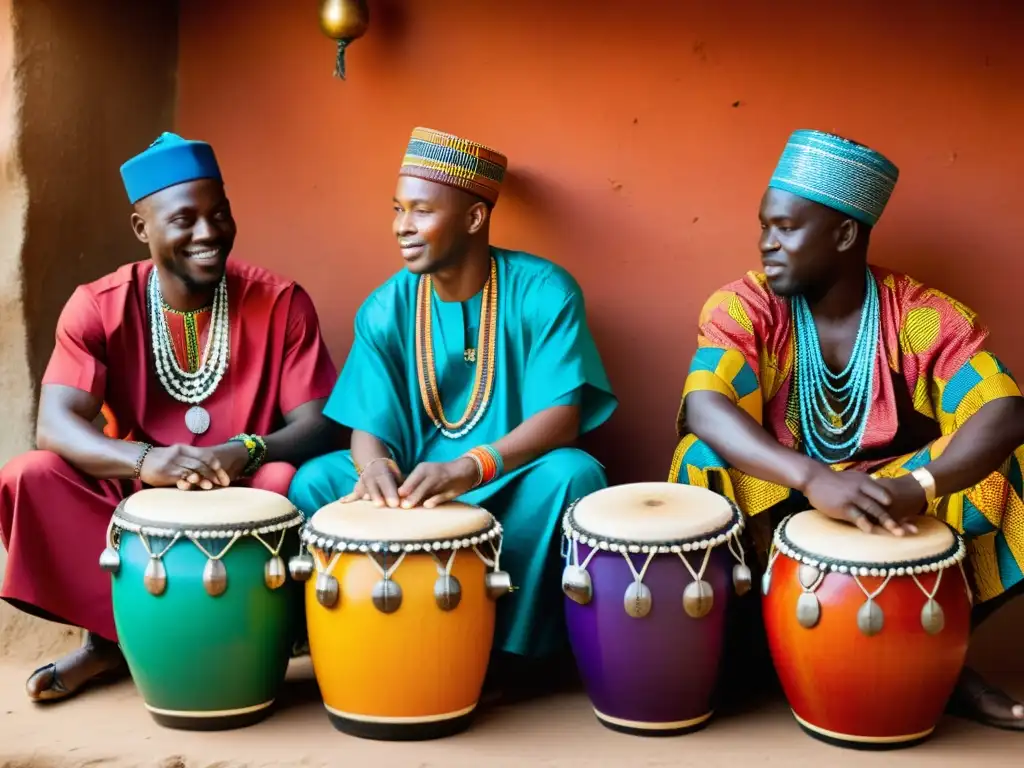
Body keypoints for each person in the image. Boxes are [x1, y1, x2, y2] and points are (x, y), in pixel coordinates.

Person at [670, 128, 1024, 730]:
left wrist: (917, 486)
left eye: (785, 228)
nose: (766, 244)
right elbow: (705, 404)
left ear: (843, 234)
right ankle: (745, 656)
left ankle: (939, 660)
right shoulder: (745, 307)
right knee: (699, 455)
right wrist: (813, 478)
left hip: (893, 503)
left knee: (1013, 467)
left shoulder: (918, 316)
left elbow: (1005, 410)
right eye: (764, 226)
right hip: (781, 494)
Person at [0, 133, 339, 703]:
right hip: (135, 498)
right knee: (30, 475)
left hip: (245, 489)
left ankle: (257, 641)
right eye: (184, 220)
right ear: (142, 229)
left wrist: (247, 451)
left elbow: (321, 424)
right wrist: (145, 461)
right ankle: (109, 640)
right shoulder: (100, 304)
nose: (208, 234)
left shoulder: (281, 301)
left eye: (219, 214)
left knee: (289, 484)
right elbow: (55, 425)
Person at [288, 127, 618, 692]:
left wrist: (470, 467)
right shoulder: (386, 306)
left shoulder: (544, 290)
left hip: (505, 477)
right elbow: (366, 429)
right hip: (412, 485)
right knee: (315, 481)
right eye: (396, 210)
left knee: (575, 476)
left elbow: (562, 420)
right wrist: (374, 471)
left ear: (473, 219)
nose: (401, 227)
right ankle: (369, 636)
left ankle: (509, 656)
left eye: (420, 211)